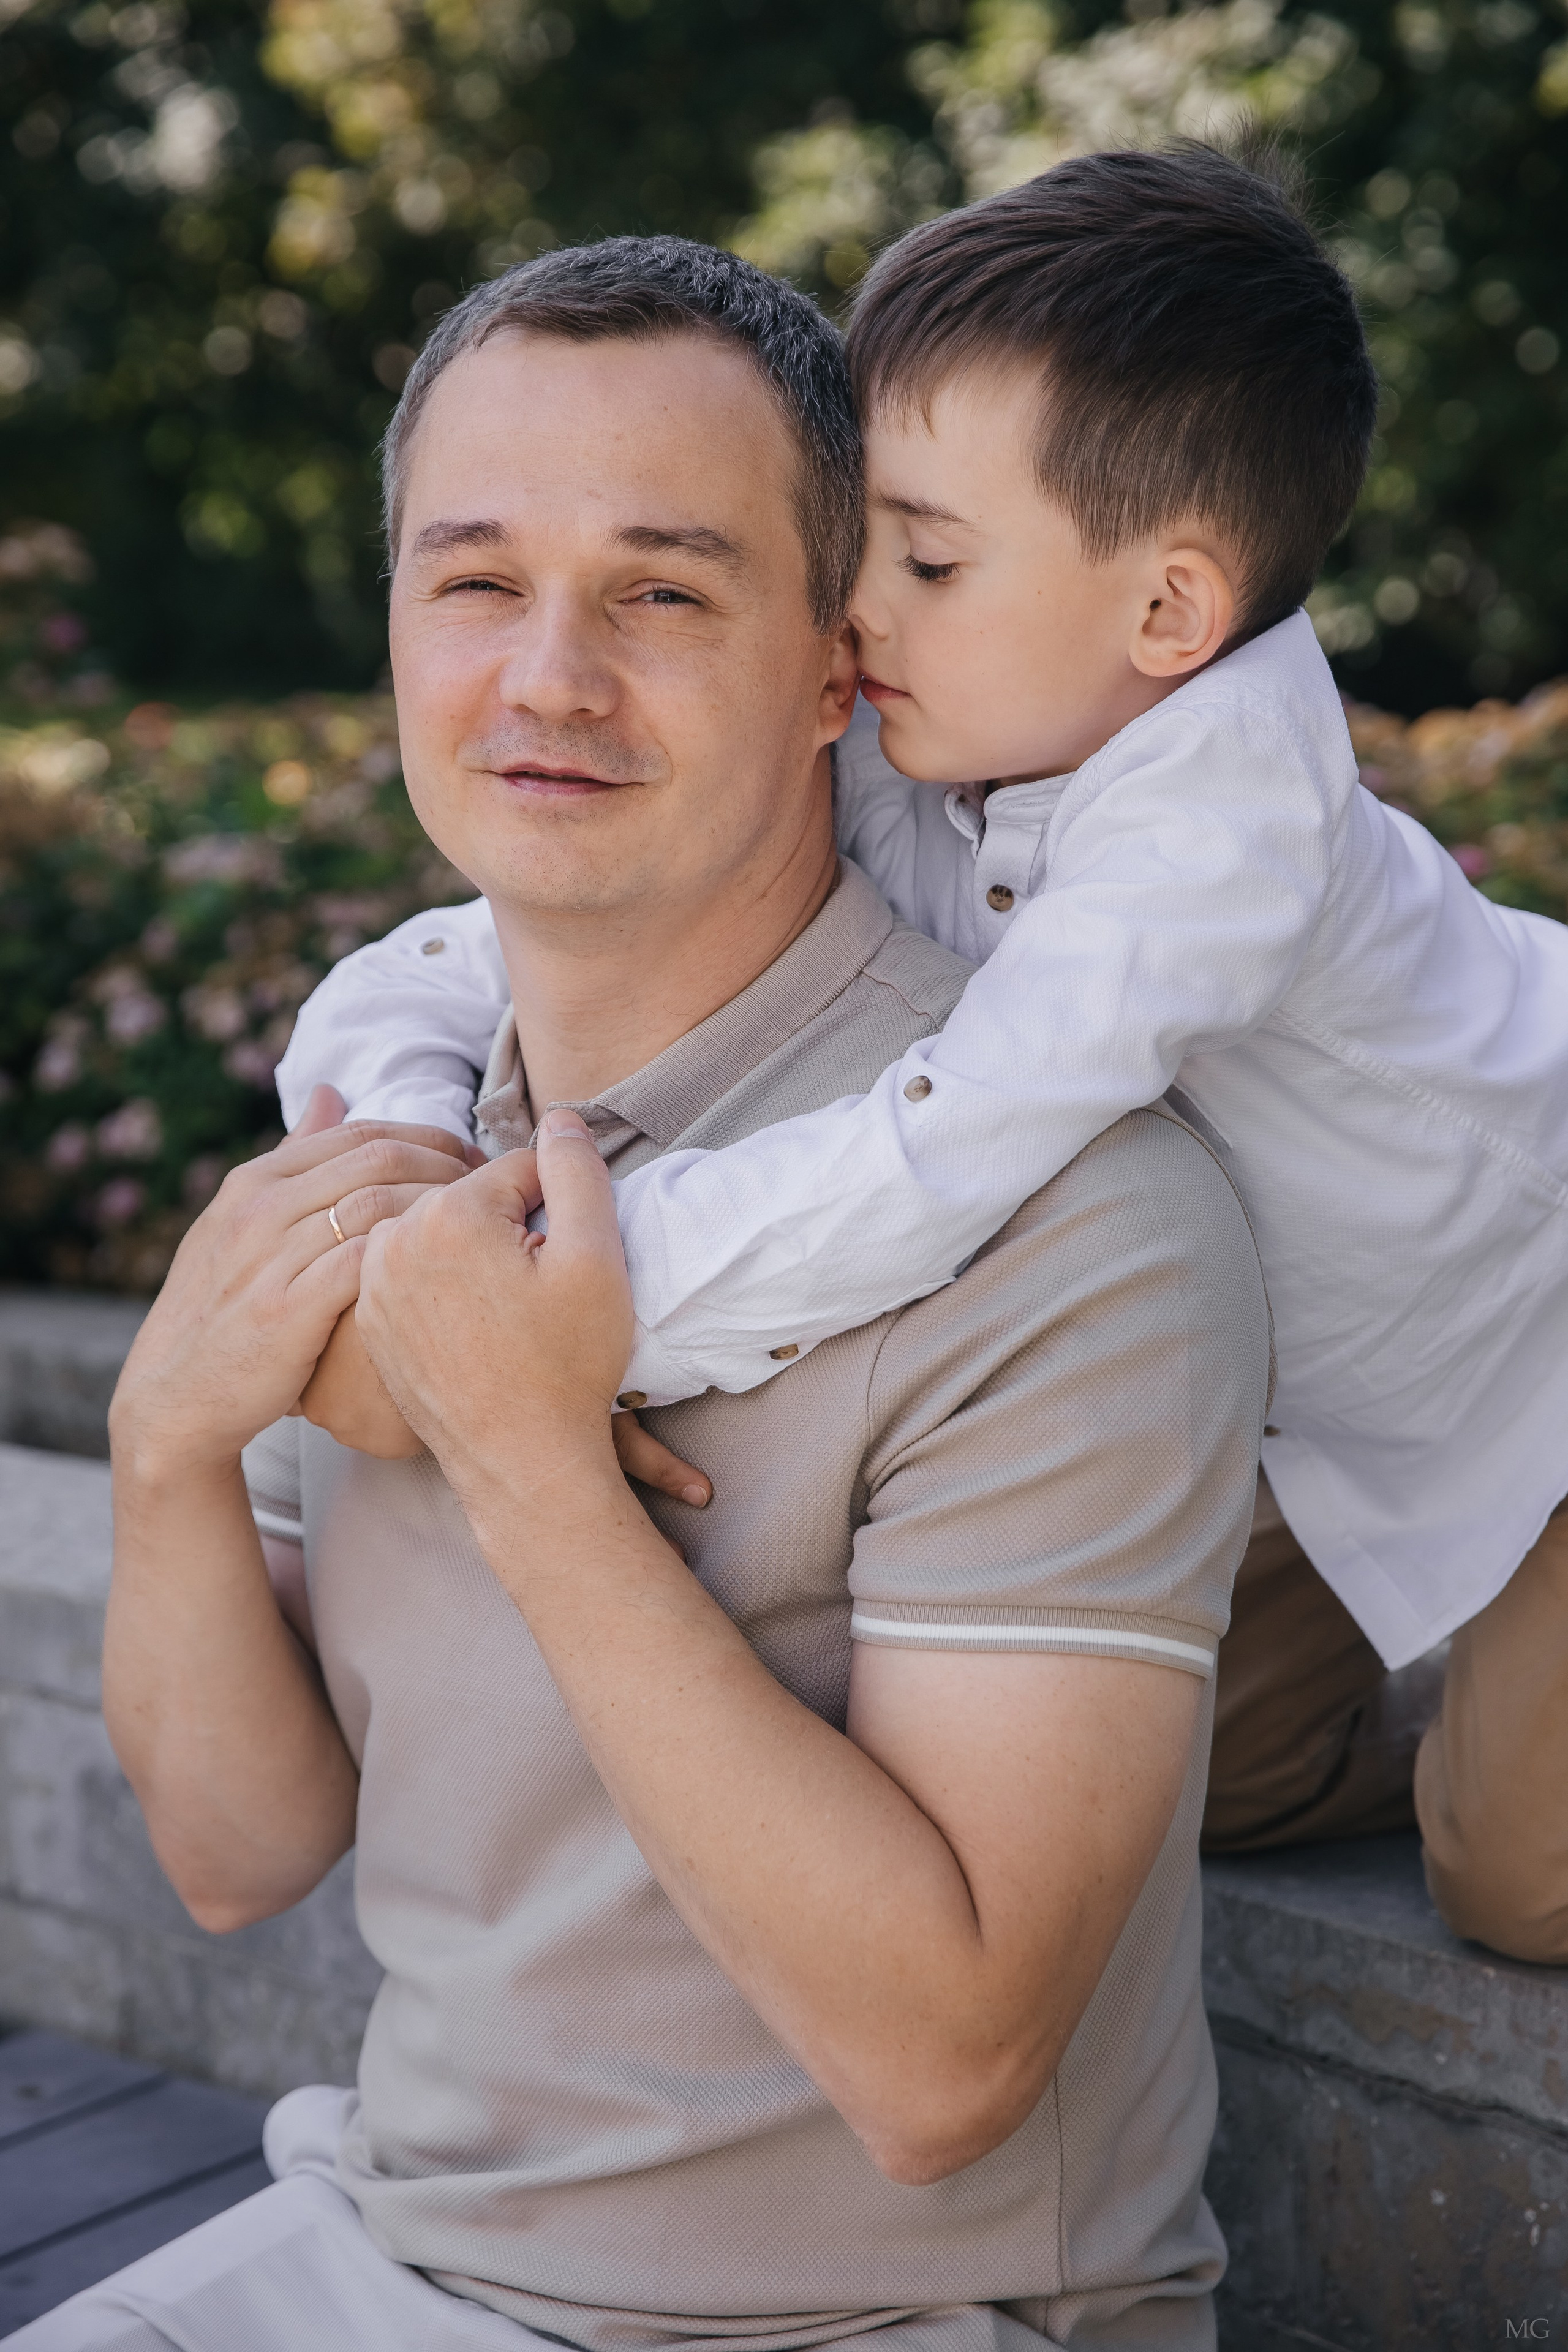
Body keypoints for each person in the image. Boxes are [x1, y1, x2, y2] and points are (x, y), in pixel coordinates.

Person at [22, 238, 1270, 2351]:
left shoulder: (1076, 1222)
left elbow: (946, 2075)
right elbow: (240, 1854)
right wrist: (168, 1444)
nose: (550, 676)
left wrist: (532, 1464)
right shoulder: (397, 1134)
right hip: (390, 2259)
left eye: (665, 590)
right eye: (477, 580)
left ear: (830, 669)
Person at [280, 148, 1568, 1962]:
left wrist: (553, 1321)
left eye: (927, 555)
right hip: (1328, 1399)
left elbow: (937, 1159)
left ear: (1169, 619)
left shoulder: (1220, 831)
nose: (856, 602)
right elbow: (433, 965)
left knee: (1516, 1875)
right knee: (1223, 1775)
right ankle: (1427, 1694)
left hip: (1546, 1343)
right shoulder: (946, 717)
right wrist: (412, 1186)